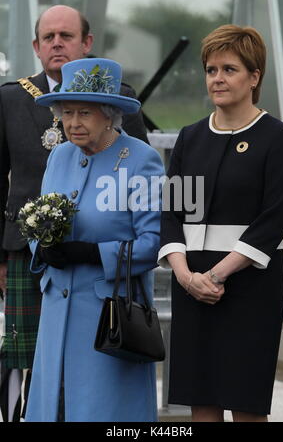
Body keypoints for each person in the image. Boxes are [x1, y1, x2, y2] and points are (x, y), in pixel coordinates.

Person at [0, 5, 148, 420]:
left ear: (87, 42)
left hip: (101, 279)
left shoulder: (126, 113)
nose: (57, 44)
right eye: (49, 37)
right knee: (23, 363)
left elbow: (137, 179)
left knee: (92, 385)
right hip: (33, 263)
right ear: (36, 46)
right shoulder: (12, 98)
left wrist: (93, 251)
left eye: (66, 36)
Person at [158, 24, 283, 423]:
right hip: (191, 285)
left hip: (248, 287)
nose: (217, 78)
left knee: (246, 404)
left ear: (254, 77)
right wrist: (186, 277)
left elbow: (273, 220)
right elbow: (171, 212)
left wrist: (216, 276)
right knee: (200, 402)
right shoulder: (190, 138)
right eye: (211, 69)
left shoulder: (280, 138)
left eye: (229, 69)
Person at [24, 57, 163, 422]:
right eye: (67, 113)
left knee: (101, 413)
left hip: (108, 317)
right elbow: (39, 220)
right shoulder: (60, 156)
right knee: (54, 408)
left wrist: (91, 253)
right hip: (57, 312)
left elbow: (153, 242)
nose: (72, 123)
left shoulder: (140, 159)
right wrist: (43, 248)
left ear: (109, 114)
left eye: (84, 113)